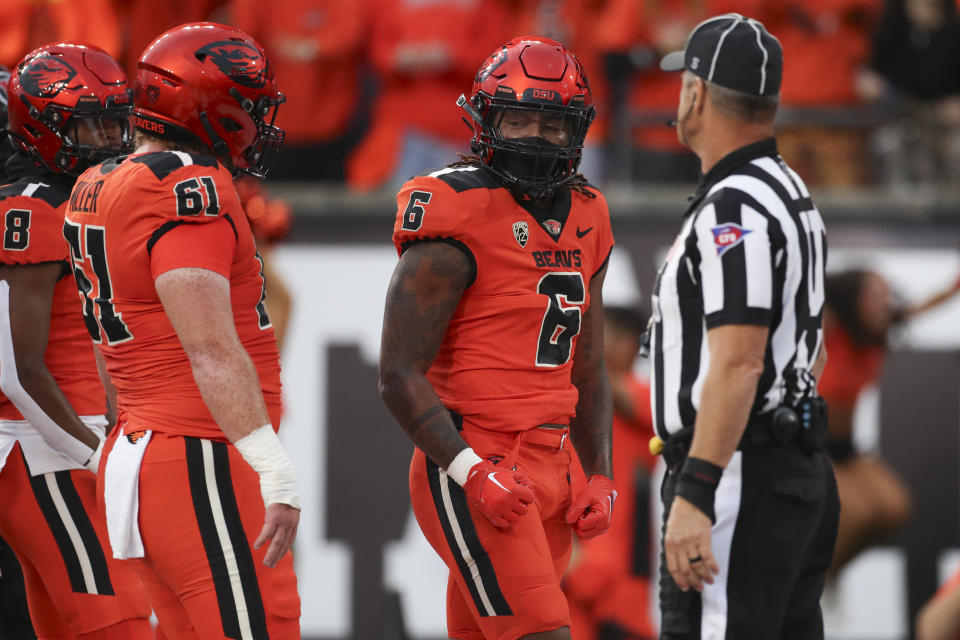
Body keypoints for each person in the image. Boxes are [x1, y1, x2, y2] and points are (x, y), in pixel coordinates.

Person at [63, 23, 302, 638]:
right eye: (246, 106)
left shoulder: (97, 183)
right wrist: (272, 465)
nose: (257, 121)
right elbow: (211, 347)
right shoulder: (186, 189)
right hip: (199, 452)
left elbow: (107, 349)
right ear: (209, 108)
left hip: (141, 445)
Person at [379, 36, 616, 640]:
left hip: (555, 464)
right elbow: (397, 374)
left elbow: (586, 368)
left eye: (551, 123)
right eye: (517, 118)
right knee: (544, 631)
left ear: (576, 130)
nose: (534, 137)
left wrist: (601, 474)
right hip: (473, 457)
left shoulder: (589, 212)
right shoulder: (455, 206)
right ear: (486, 119)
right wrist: (470, 472)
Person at [650, 14, 838, 638]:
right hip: (788, 465)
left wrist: (698, 489)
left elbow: (740, 361)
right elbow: (809, 353)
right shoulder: (790, 191)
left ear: (695, 92)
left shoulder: (735, 204)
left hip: (738, 473)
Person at [0, 42, 155, 638]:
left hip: (79, 436)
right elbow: (16, 370)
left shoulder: (90, 198)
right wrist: (96, 459)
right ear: (39, 127)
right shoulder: (30, 210)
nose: (111, 138)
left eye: (118, 120)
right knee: (117, 624)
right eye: (92, 124)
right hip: (41, 449)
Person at [821, 268, 960, 576]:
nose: (884, 302)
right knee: (856, 513)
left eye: (886, 294)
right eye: (874, 295)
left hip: (846, 448)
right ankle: (811, 581)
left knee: (895, 508)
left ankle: (830, 575)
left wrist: (954, 286)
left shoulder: (874, 335)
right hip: (815, 446)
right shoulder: (830, 329)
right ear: (851, 300)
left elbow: (926, 306)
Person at [564, 305, 657, 640]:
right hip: (571, 571)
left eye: (608, 334)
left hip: (625, 585)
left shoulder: (647, 401)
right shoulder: (566, 402)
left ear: (633, 344)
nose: (596, 344)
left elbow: (630, 399)